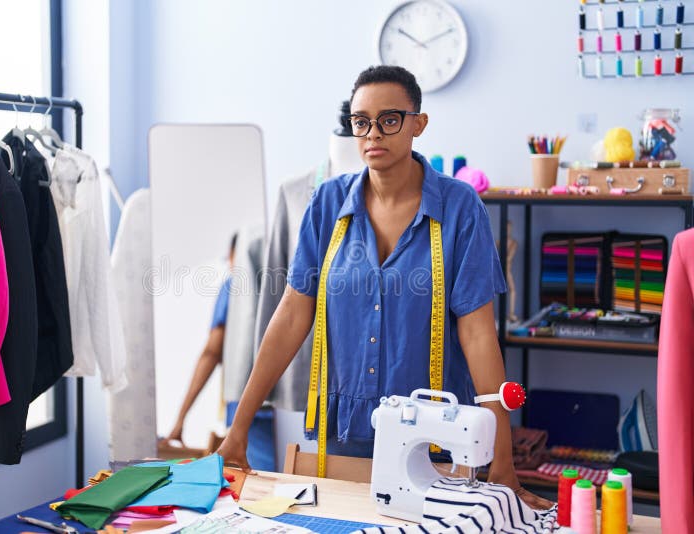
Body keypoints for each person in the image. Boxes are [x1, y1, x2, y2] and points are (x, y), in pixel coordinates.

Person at [217, 65, 552, 509]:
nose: (373, 133)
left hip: (437, 435)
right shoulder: (327, 204)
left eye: (389, 120)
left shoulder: (458, 208)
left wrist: (503, 461)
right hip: (346, 431)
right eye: (361, 122)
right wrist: (237, 431)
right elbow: (293, 315)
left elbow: (477, 335)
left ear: (419, 123)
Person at [159, 234, 236, 446]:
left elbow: (212, 353)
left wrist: (180, 418)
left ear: (233, 256)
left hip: (248, 412)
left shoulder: (232, 286)